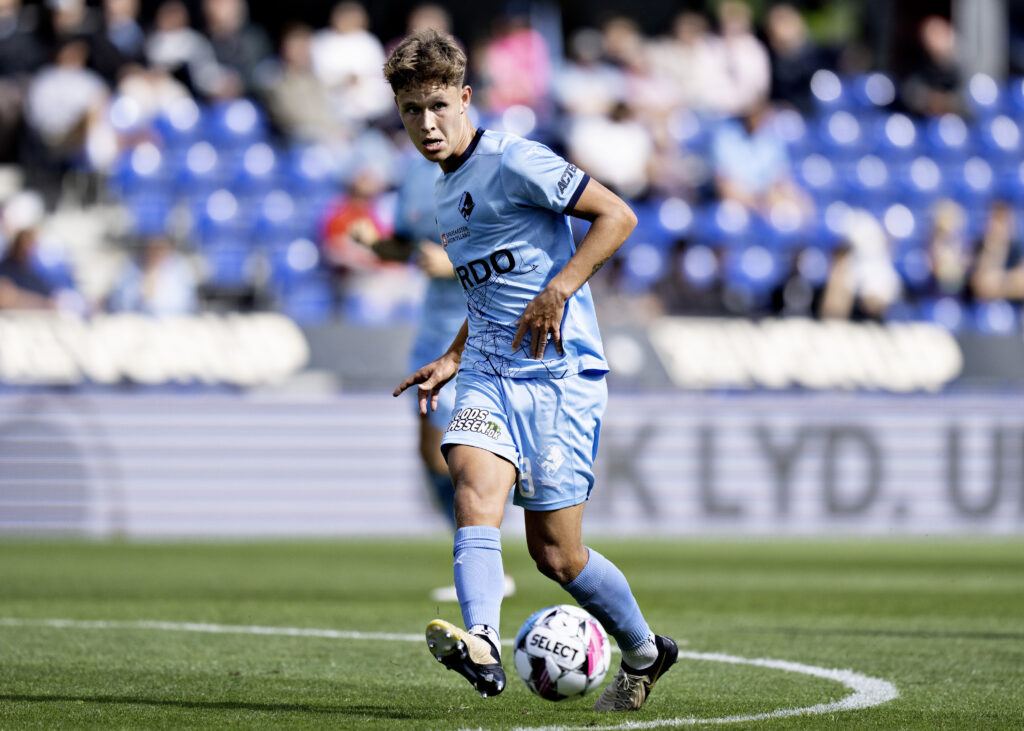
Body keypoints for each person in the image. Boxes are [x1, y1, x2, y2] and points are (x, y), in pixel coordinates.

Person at [385, 29, 677, 711]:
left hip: (557, 376)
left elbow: (617, 216)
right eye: (410, 112)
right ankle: (482, 639)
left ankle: (643, 651)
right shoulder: (441, 191)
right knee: (472, 486)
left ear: (464, 97)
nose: (426, 124)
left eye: (436, 106)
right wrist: (456, 353)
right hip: (488, 369)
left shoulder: (516, 161)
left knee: (557, 555)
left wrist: (561, 288)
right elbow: (484, 289)